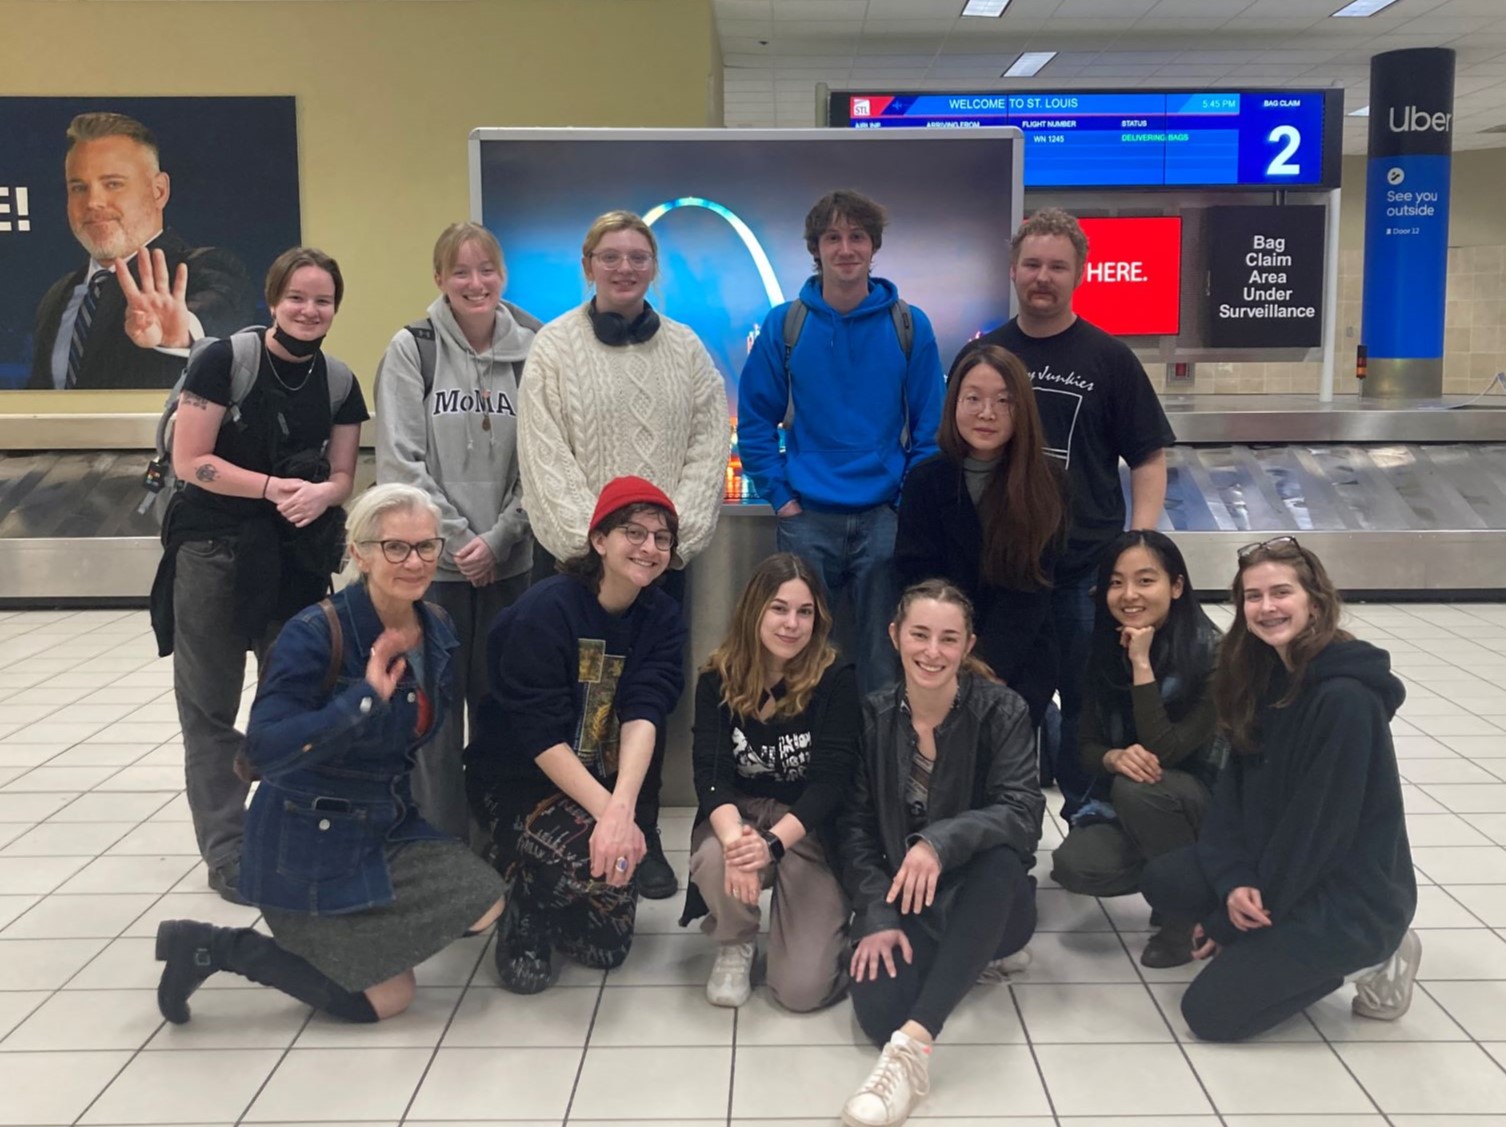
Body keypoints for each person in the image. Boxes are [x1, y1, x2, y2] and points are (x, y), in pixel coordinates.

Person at [153, 484, 505, 1026]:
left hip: (382, 827)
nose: (414, 562)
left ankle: (352, 937)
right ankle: (213, 948)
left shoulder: (436, 628)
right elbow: (264, 749)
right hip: (304, 844)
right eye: (395, 548)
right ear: (359, 553)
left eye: (427, 547)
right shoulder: (316, 633)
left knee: (485, 900)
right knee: (389, 999)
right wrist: (361, 699)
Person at [517, 210, 728, 899]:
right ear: (588, 265)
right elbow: (544, 453)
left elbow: (706, 448)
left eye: (639, 256)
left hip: (663, 564)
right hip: (584, 567)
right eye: (611, 255)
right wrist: (601, 546)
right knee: (580, 705)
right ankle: (578, 821)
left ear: (653, 266)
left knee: (649, 696)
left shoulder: (688, 350)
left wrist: (669, 540)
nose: (626, 267)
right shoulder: (554, 348)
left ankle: (641, 828)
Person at [148, 246, 367, 903]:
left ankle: (292, 831)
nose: (309, 309)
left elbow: (343, 474)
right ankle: (230, 850)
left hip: (295, 563)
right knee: (210, 708)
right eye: (296, 296)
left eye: (322, 299)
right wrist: (276, 488)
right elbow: (191, 459)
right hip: (214, 553)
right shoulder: (223, 361)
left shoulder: (338, 381)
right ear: (273, 300)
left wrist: (321, 496)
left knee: (298, 699)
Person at [1141, 536, 1420, 1042]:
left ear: (1315, 600)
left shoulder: (1345, 701)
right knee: (1166, 880)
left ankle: (1379, 955)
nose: (1267, 607)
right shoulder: (1261, 676)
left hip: (1348, 893)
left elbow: (1318, 835)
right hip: (1282, 864)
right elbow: (1233, 797)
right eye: (1253, 596)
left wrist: (1234, 922)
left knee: (1210, 1014)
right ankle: (1267, 944)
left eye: (1281, 593)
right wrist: (1233, 882)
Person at [969, 208, 1176, 818]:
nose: (1043, 277)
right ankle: (996, 818)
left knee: (1091, 702)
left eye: (1057, 266)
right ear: (1012, 270)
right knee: (1001, 701)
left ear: (1080, 274)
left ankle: (1091, 817)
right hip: (1004, 572)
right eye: (1032, 263)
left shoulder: (1110, 359)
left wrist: (1138, 543)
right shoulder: (986, 355)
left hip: (1086, 570)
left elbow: (1147, 457)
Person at [465, 476, 687, 993]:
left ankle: (553, 883)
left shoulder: (661, 616)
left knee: (605, 948)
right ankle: (521, 891)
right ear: (599, 540)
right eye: (633, 532)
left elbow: (645, 710)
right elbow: (539, 734)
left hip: (599, 786)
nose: (649, 548)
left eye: (661, 538)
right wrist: (610, 815)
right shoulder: (546, 611)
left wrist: (622, 808)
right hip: (519, 781)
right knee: (579, 862)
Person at [838, 580, 1042, 1127]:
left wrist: (939, 841)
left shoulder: (1003, 710)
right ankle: (958, 968)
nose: (933, 651)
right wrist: (876, 913)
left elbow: (1023, 813)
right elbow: (854, 829)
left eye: (948, 639)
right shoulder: (872, 716)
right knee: (879, 1012)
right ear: (894, 635)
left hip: (991, 896)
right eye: (920, 635)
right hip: (907, 897)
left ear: (968, 644)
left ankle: (912, 1051)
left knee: (1000, 858)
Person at [738, 189, 944, 696]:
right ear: (817, 247)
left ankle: (877, 772)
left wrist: (902, 502)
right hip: (807, 519)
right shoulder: (786, 325)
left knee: (884, 659)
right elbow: (755, 418)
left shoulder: (909, 326)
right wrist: (781, 497)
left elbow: (931, 429)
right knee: (797, 657)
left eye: (857, 236)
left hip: (882, 520)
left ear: (874, 247)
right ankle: (804, 768)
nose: (845, 248)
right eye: (833, 237)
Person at [375, 221, 543, 841]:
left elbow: (544, 460)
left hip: (512, 564)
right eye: (461, 271)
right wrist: (456, 541)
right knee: (435, 716)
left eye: (487, 270)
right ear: (440, 279)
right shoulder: (411, 349)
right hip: (433, 572)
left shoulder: (535, 347)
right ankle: (442, 845)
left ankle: (501, 836)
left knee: (503, 708)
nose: (476, 283)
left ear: (502, 276)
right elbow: (399, 463)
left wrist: (498, 539)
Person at [682, 553, 859, 1011]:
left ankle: (829, 925)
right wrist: (736, 843)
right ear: (755, 610)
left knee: (802, 992)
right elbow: (711, 773)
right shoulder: (717, 678)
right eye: (779, 608)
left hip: (805, 825)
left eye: (805, 612)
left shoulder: (836, 678)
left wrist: (772, 846)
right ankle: (735, 940)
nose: (792, 624)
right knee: (715, 859)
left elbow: (830, 783)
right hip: (738, 814)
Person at [1050, 531, 1224, 968]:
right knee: (1077, 864)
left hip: (1212, 803)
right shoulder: (1105, 647)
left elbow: (1166, 751)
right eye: (1116, 582)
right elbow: (1087, 745)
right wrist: (1112, 757)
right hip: (1150, 799)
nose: (1129, 595)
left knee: (1137, 788)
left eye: (1146, 581)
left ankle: (1184, 916)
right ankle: (1180, 877)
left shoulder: (1216, 653)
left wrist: (1142, 665)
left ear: (1177, 586)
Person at [894, 344, 1064, 728]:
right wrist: (948, 662)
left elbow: (1031, 589)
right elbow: (915, 579)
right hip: (936, 658)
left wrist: (987, 672)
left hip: (1018, 661)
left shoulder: (1048, 483)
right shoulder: (925, 480)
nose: (987, 413)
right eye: (973, 399)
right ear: (954, 402)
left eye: (1003, 401)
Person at [29, 111, 254, 390]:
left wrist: (180, 333)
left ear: (159, 191)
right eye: (79, 188)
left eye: (113, 184)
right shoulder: (57, 295)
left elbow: (217, 311)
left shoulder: (204, 268)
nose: (93, 202)